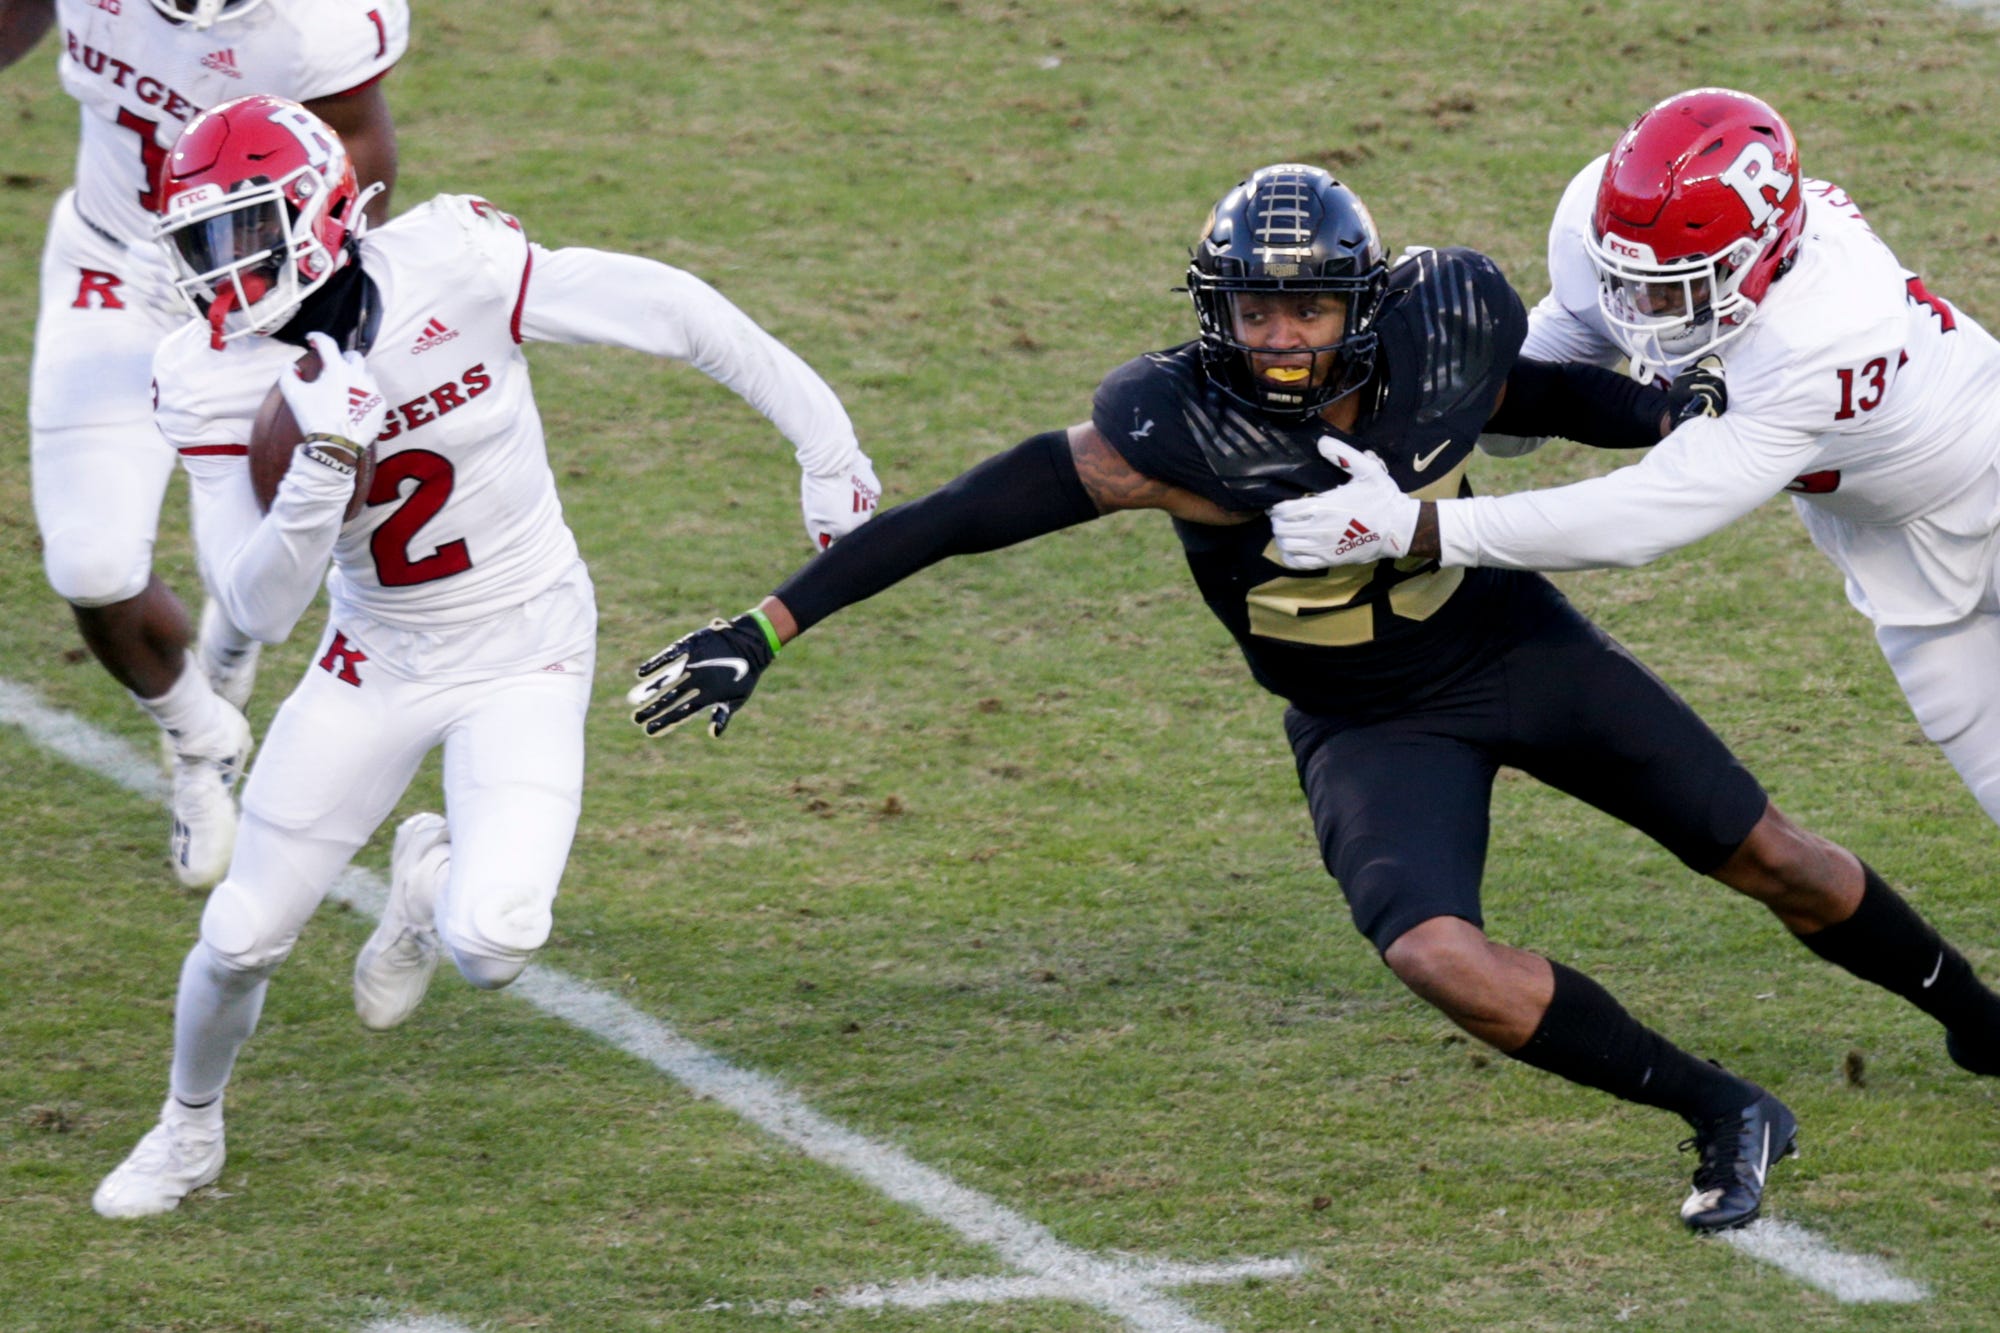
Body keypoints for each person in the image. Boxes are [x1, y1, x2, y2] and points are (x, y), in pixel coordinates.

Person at [628, 163, 2000, 1233]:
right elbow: (959, 515)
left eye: (1309, 307)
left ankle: (1978, 1018)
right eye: (1255, 308)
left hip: (1518, 647)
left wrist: (1704, 423)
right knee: (1434, 953)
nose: (1281, 336)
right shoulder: (1167, 430)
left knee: (1775, 856)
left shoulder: (1441, 332)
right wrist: (767, 622)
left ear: (1365, 300)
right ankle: (1723, 1107)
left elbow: (1553, 397)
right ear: (1210, 308)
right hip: (1366, 720)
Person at [89, 93, 883, 1219]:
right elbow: (256, 602)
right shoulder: (207, 373)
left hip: (526, 645)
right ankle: (187, 1127)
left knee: (494, 943)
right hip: (375, 656)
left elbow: (668, 306)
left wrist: (823, 437)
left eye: (247, 232)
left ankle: (425, 880)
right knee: (240, 938)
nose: (223, 270)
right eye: (202, 242)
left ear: (319, 213)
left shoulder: (454, 262)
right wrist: (320, 467)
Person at [1269, 87, 2000, 840]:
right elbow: (1514, 424)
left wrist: (1415, 526)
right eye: (1626, 277)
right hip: (1890, 551)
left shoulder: (1827, 335)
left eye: (1675, 284)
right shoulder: (1612, 234)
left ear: (1763, 256)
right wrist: (1436, 358)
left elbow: (1640, 518)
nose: (1640, 304)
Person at [0, 0, 408, 890]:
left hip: (256, 294)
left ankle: (229, 645)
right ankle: (199, 739)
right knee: (90, 567)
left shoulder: (316, 23)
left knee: (258, 585)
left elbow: (360, 157)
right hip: (113, 270)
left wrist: (319, 322)